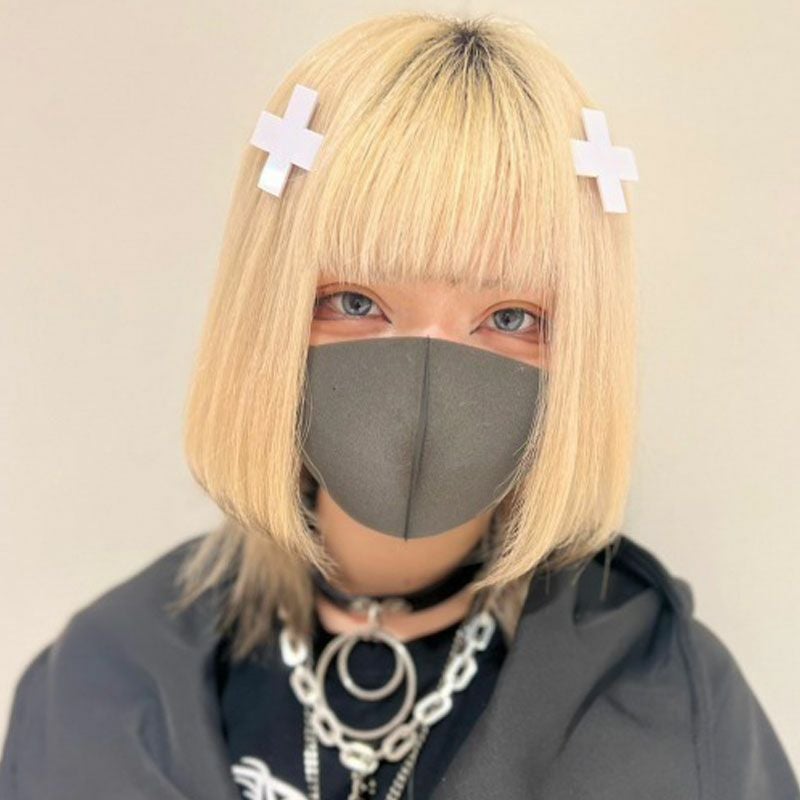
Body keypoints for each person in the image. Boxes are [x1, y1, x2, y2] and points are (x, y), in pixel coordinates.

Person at [1, 11, 797, 800]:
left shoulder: (673, 720)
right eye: (355, 302)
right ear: (267, 312)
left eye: (510, 318)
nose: (424, 381)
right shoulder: (101, 693)